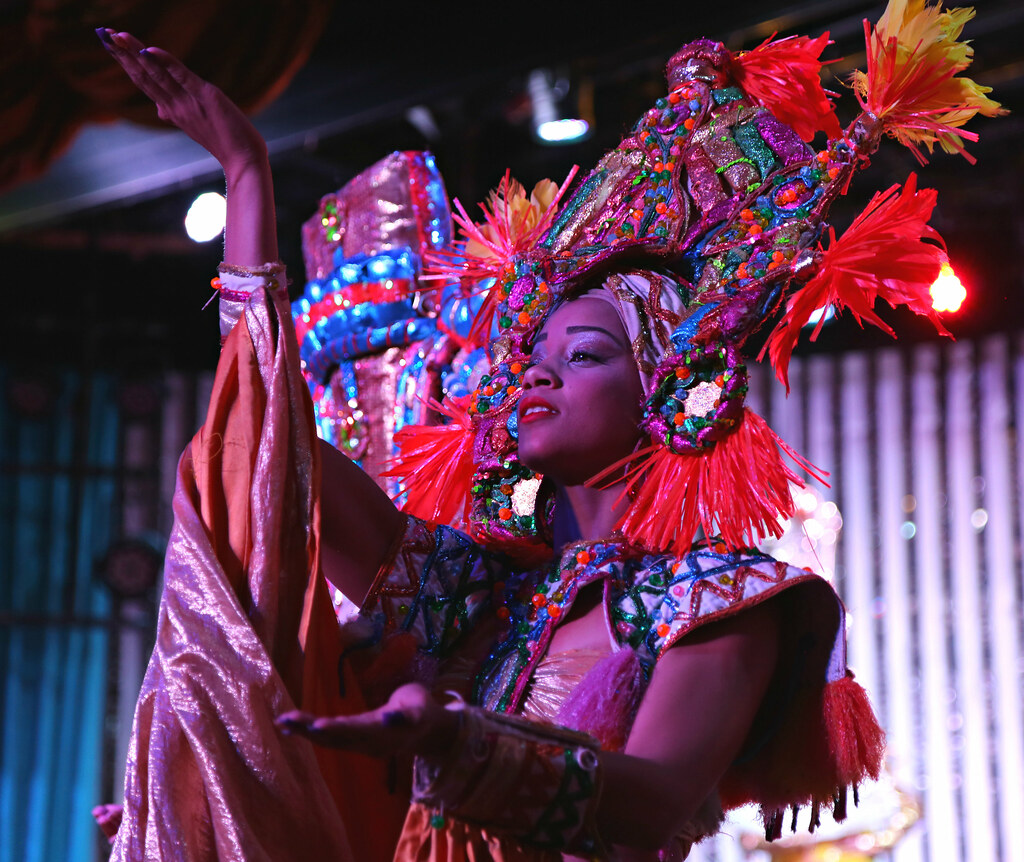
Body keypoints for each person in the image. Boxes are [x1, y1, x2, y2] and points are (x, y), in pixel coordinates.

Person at [98, 4, 999, 856]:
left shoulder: (725, 599)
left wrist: (464, 747)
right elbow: (266, 449)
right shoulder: (479, 590)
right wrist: (248, 179)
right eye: (537, 353)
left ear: (670, 392)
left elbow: (659, 798)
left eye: (587, 355)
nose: (537, 369)